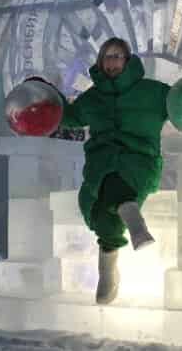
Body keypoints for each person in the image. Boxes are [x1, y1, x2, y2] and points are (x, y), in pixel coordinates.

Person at [54, 37, 171, 304]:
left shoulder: (152, 92)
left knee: (113, 183)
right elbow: (69, 117)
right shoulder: (92, 98)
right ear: (100, 61)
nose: (112, 61)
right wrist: (48, 96)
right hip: (100, 164)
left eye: (117, 56)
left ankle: (109, 267)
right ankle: (112, 266)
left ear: (127, 60)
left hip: (138, 162)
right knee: (96, 208)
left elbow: (180, 102)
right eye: (107, 56)